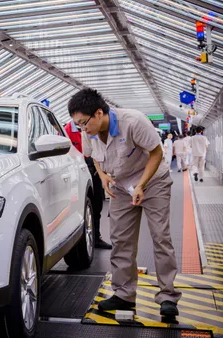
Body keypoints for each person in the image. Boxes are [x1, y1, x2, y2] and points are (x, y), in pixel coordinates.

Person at [68, 88, 181, 316]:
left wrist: (141, 185)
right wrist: (102, 175)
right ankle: (124, 295)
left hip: (153, 181)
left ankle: (167, 296)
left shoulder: (133, 122)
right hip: (120, 185)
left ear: (99, 113)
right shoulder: (87, 131)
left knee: (160, 237)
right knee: (120, 240)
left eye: (83, 122)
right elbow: (93, 157)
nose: (81, 128)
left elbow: (156, 153)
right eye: (77, 124)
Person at [64, 121, 112, 249]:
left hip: (93, 166)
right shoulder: (67, 130)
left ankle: (96, 237)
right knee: (80, 205)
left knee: (97, 203)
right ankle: (80, 240)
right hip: (77, 170)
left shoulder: (92, 124)